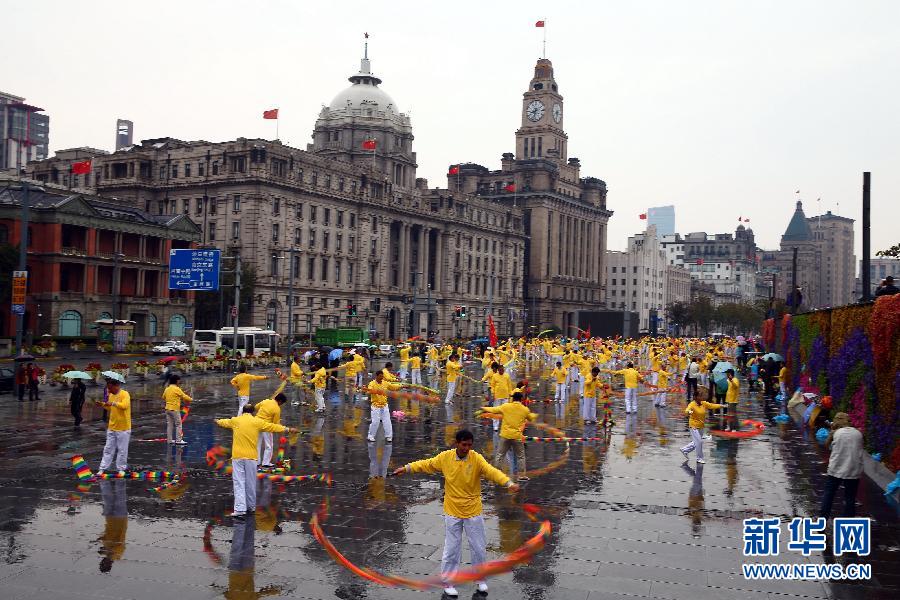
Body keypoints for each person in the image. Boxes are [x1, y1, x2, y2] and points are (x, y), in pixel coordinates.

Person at [392, 430, 520, 597]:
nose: (466, 448)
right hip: (452, 510)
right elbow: (426, 464)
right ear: (457, 443)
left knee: (478, 548)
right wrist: (406, 468)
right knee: (452, 548)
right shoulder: (445, 457)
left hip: (473, 510)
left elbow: (492, 472)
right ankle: (448, 582)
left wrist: (508, 483)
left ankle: (480, 579)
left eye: (469, 445)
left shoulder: (476, 458)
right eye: (464, 444)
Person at [215, 407, 297, 518]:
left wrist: (217, 421)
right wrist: (288, 429)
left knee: (239, 483)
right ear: (253, 412)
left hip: (238, 457)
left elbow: (224, 422)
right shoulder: (257, 422)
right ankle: (251, 507)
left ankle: (240, 509)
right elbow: (272, 427)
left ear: (243, 412)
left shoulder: (235, 420)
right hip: (252, 458)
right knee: (251, 482)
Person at [480, 391, 536, 480]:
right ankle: (521, 476)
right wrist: (534, 415)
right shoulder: (525, 409)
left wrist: (483, 408)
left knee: (500, 455)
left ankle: (496, 474)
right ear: (521, 399)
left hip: (505, 435)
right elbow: (531, 418)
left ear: (513, 398)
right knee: (520, 456)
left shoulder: (506, 406)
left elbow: (494, 410)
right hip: (517, 436)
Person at [819, 412, 863, 519]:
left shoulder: (836, 433)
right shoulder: (858, 433)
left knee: (829, 493)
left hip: (836, 468)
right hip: (854, 469)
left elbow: (826, 445)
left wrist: (832, 433)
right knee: (850, 497)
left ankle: (822, 520)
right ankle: (847, 523)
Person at [97, 377, 132, 476]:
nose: (109, 390)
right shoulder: (111, 395)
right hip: (112, 426)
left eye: (110, 388)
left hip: (123, 428)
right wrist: (103, 404)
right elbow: (110, 408)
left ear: (116, 386)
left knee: (122, 450)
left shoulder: (125, 394)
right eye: (108, 388)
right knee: (108, 448)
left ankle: (121, 468)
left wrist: (113, 403)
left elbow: (124, 406)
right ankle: (102, 468)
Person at [254, 376, 289, 468]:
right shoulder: (277, 409)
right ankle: (266, 463)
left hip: (256, 423)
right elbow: (275, 423)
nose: (281, 405)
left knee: (257, 444)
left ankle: (256, 462)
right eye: (282, 403)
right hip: (266, 426)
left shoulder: (266, 401)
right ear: (280, 401)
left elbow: (256, 407)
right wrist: (282, 430)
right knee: (269, 445)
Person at [679, 395, 724, 464]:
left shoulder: (703, 403)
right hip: (693, 426)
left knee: (696, 442)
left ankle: (685, 450)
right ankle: (699, 458)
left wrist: (721, 406)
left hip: (701, 426)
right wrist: (689, 412)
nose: (702, 398)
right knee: (699, 442)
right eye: (700, 396)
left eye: (701, 396)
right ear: (696, 398)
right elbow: (687, 410)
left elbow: (712, 405)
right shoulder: (692, 404)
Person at [363, 370, 401, 443]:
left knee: (387, 421)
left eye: (382, 376)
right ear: (376, 376)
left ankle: (389, 436)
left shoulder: (385, 383)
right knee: (375, 422)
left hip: (384, 405)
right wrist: (366, 390)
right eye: (380, 376)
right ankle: (370, 436)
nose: (381, 378)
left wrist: (401, 386)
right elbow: (370, 390)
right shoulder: (372, 383)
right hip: (375, 406)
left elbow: (393, 387)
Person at [98, 479, 128, 572]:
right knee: (120, 496)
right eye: (103, 564)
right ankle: (120, 477)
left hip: (110, 518)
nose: (102, 562)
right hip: (120, 518)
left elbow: (106, 536)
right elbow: (119, 546)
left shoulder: (106, 549)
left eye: (101, 563)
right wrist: (107, 551)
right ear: (109, 565)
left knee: (107, 497)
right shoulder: (117, 555)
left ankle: (103, 479)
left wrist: (99, 539)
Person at [162, 374, 191, 445]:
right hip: (174, 409)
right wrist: (191, 399)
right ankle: (178, 440)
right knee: (178, 424)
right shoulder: (177, 389)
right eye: (179, 381)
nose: (179, 382)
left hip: (167, 409)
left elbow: (163, 397)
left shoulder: (167, 388)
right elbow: (184, 396)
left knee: (169, 425)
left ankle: (169, 440)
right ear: (176, 381)